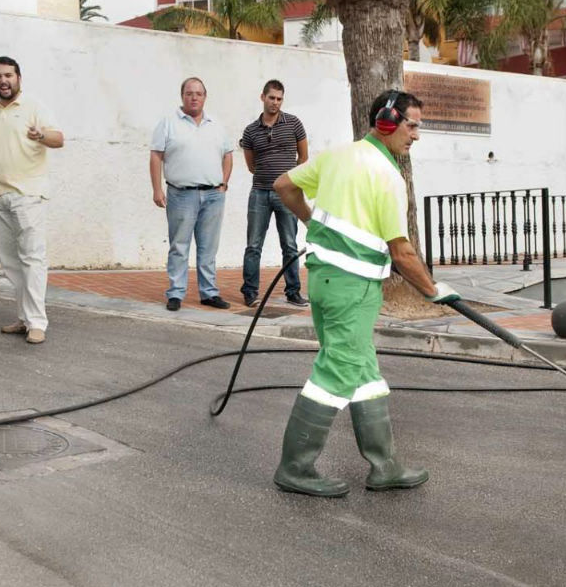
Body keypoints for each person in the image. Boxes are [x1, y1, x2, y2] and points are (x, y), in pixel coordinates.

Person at [271, 89, 462, 497]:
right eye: (411, 125)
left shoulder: (336, 156)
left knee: (363, 370)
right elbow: (402, 251)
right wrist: (433, 290)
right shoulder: (387, 176)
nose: (416, 136)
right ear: (387, 121)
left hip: (324, 281)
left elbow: (283, 185)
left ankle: (385, 465)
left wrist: (314, 224)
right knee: (337, 370)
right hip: (353, 287)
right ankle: (295, 466)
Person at [0, 56, 63, 345]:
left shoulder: (34, 106)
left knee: (32, 259)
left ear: (18, 77)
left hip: (28, 196)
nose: (3, 81)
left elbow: (58, 139)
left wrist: (41, 134)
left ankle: (37, 323)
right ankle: (24, 318)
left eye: (8, 75)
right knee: (11, 264)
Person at [150, 77, 234, 312]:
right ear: (182, 96)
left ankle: (209, 293)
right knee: (179, 246)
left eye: (198, 93)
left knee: (209, 247)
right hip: (181, 195)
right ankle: (176, 293)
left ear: (205, 97)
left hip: (213, 196)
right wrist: (157, 188)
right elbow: (156, 155)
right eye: (189, 93)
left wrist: (224, 183)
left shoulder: (216, 124)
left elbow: (228, 154)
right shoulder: (168, 123)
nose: (194, 97)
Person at [239, 80, 308, 308]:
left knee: (289, 244)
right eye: (271, 98)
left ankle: (293, 291)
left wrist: (288, 181)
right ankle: (250, 292)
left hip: (287, 195)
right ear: (263, 97)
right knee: (253, 245)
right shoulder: (250, 131)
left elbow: (303, 159)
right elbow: (251, 164)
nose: (275, 102)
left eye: (279, 99)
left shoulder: (294, 124)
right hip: (259, 193)